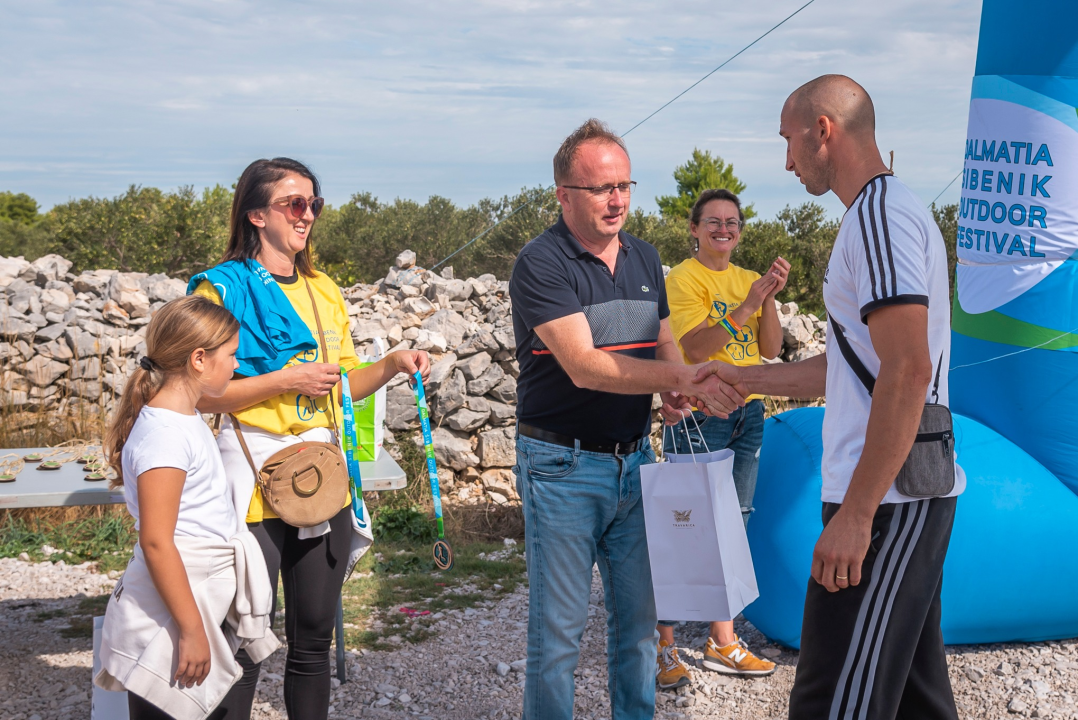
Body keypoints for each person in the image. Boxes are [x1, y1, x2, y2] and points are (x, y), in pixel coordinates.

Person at [696, 75, 964, 719]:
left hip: (887, 501)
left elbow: (906, 370)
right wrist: (743, 379)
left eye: (789, 141)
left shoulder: (877, 217)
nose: (787, 161)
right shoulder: (882, 213)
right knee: (913, 700)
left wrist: (857, 515)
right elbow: (848, 368)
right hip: (897, 495)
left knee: (833, 699)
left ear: (824, 131)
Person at [509, 118, 744, 720]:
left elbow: (663, 343)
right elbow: (586, 366)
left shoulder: (643, 255)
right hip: (561, 467)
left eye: (624, 186)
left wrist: (672, 392)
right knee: (558, 637)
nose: (616, 200)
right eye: (600, 189)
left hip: (637, 463)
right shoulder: (541, 263)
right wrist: (681, 379)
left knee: (639, 628)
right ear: (564, 194)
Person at [190, 157, 430, 720]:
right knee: (244, 639)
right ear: (256, 215)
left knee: (314, 639)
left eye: (313, 204)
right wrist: (286, 379)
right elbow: (200, 395)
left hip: (320, 475)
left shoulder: (324, 291)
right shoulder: (218, 290)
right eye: (293, 204)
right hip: (249, 478)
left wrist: (392, 364)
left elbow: (342, 385)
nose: (307, 215)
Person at [96, 295, 278, 720]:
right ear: (199, 358)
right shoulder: (165, 436)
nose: (236, 365)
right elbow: (158, 542)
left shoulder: (185, 418)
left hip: (197, 598)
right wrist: (193, 631)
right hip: (177, 611)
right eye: (231, 355)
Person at [655, 188, 789, 689]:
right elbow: (693, 347)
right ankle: (663, 644)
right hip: (699, 415)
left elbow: (771, 350)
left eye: (732, 222)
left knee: (733, 524)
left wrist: (766, 300)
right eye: (713, 221)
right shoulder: (682, 279)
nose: (724, 230)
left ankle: (722, 642)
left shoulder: (749, 280)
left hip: (747, 413)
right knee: (684, 525)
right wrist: (747, 304)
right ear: (694, 229)